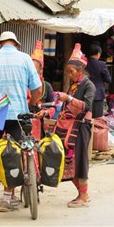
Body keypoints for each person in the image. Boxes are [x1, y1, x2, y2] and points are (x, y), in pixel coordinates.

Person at [0, 31, 42, 212]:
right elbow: (37, 88)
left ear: (0, 44)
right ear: (16, 44)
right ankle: (6, 199)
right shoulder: (25, 58)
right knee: (14, 154)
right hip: (18, 111)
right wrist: (32, 103)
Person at [55, 43, 96, 208]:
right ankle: (82, 193)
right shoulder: (74, 86)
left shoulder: (88, 86)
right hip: (71, 126)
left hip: (82, 126)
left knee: (80, 160)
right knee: (70, 160)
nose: (70, 75)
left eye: (72, 72)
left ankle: (84, 195)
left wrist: (69, 99)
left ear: (81, 71)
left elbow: (86, 106)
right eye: (68, 72)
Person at [28, 40, 55, 140]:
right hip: (23, 124)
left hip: (40, 126)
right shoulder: (23, 84)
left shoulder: (47, 86)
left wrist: (45, 112)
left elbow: (53, 107)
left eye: (35, 70)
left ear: (40, 70)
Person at [85, 42, 112, 118]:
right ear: (97, 54)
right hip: (98, 94)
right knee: (97, 118)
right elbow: (108, 80)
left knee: (85, 117)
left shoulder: (84, 63)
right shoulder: (102, 64)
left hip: (85, 93)